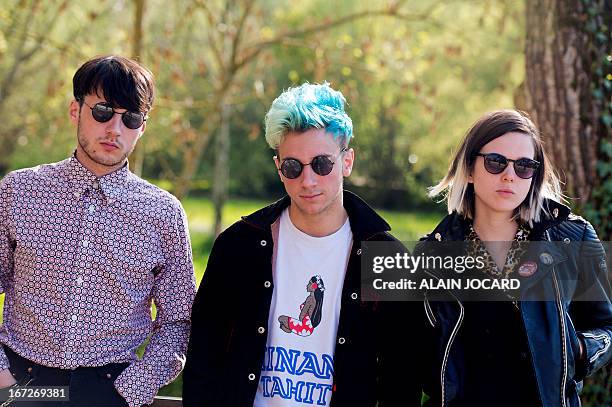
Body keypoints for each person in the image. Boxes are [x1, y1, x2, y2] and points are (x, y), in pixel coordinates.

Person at [183, 82, 410, 406]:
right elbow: (203, 356)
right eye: (293, 167)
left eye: (322, 163)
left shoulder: (387, 256)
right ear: (279, 168)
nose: (308, 180)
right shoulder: (237, 247)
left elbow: (400, 377)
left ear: (347, 161)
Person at [0, 55, 196, 407]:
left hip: (110, 388)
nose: (114, 130)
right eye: (103, 111)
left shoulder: (163, 213)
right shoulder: (18, 192)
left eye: (131, 119)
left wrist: (131, 390)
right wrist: (3, 378)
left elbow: (178, 320)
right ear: (75, 111)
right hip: (21, 385)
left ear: (143, 127)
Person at [419, 110, 612, 406]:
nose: (510, 175)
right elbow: (410, 352)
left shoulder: (573, 239)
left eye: (524, 166)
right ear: (470, 169)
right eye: (495, 162)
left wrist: (580, 350)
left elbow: (607, 326)